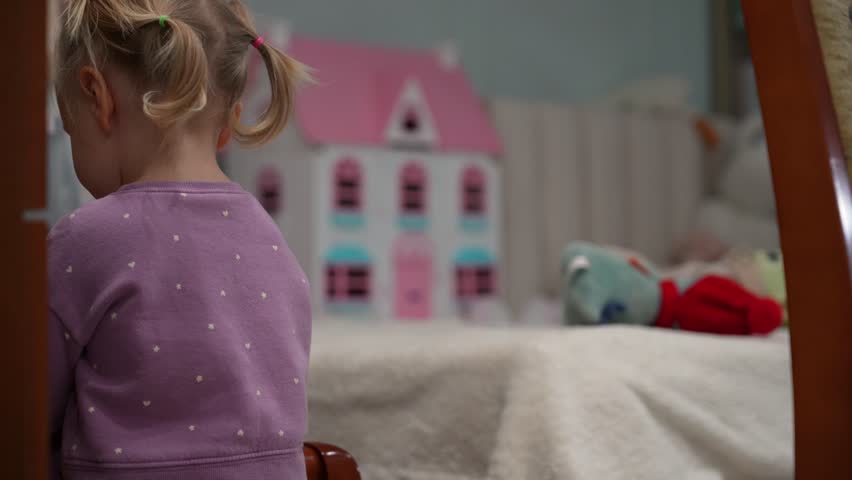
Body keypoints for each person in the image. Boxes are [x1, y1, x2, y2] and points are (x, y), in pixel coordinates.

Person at [49, 1, 311, 478]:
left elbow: (22, 412)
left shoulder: (82, 240)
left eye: (70, 127)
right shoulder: (270, 237)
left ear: (96, 97)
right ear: (229, 122)